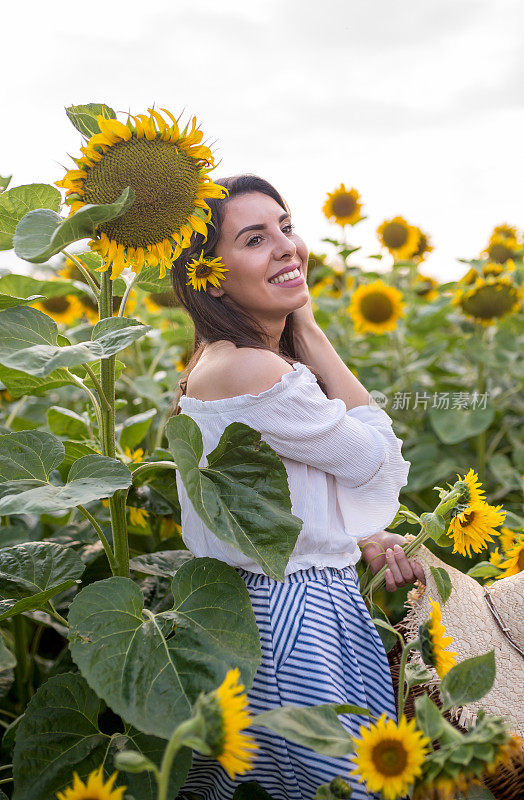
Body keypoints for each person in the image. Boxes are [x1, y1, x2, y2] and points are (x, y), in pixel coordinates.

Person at [170, 174, 425, 800]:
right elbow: (374, 458)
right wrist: (310, 330)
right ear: (210, 275)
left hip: (289, 609)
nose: (287, 246)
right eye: (256, 239)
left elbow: (282, 490)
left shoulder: (227, 362)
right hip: (295, 621)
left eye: (286, 226)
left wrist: (356, 538)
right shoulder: (251, 367)